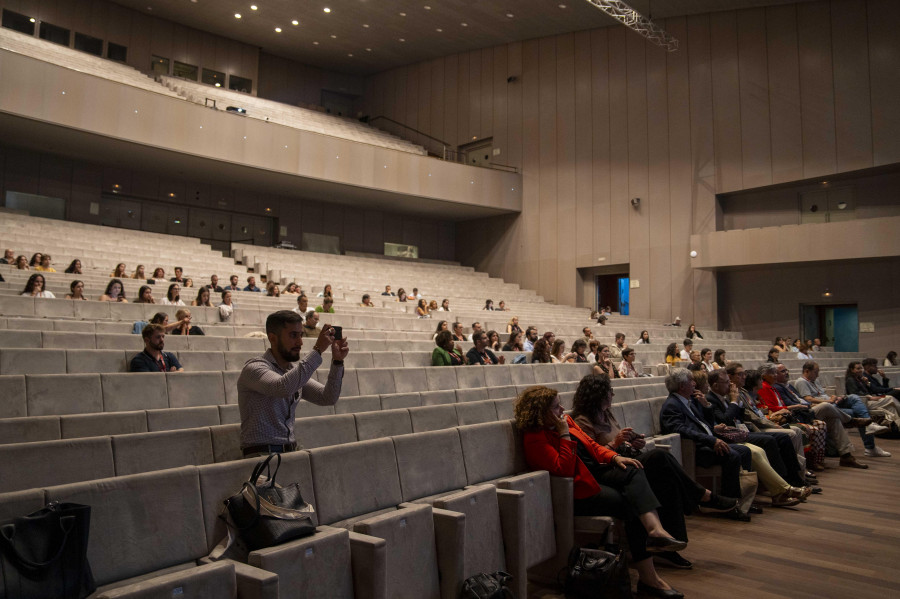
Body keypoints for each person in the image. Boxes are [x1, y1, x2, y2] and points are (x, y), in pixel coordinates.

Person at [516, 385, 686, 598]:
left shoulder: (566, 421)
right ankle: (650, 576)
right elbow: (564, 470)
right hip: (575, 493)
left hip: (593, 478)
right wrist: (563, 435)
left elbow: (593, 446)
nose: (562, 409)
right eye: (556, 406)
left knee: (633, 471)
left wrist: (615, 457)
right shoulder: (535, 437)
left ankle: (654, 545)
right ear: (541, 412)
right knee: (632, 502)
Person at [571, 373, 737, 569]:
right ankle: (702, 496)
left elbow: (616, 442)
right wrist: (615, 444)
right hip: (610, 470)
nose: (612, 395)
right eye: (609, 392)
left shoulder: (606, 413)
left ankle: (671, 547)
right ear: (597, 394)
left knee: (667, 480)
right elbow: (594, 456)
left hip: (625, 460)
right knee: (659, 457)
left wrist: (632, 442)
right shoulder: (582, 421)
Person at [238, 310, 348, 456]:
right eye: (293, 335)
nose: (300, 342)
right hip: (261, 458)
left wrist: (337, 362)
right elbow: (282, 387)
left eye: (301, 335)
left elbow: (327, 397)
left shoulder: (292, 373)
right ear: (273, 338)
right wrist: (318, 349)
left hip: (290, 454)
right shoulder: (254, 368)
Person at [699, 370, 811, 506]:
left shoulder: (725, 396)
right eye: (727, 382)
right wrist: (734, 401)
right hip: (727, 436)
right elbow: (726, 420)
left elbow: (738, 417)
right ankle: (784, 486)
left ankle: (784, 486)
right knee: (764, 444)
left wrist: (736, 401)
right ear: (716, 386)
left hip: (737, 432)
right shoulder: (711, 399)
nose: (730, 385)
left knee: (766, 446)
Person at [659, 369, 752, 512]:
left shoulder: (688, 401)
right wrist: (710, 440)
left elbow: (705, 425)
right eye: (691, 380)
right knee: (732, 455)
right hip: (697, 449)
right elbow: (680, 429)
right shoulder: (672, 405)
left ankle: (744, 500)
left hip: (708, 441)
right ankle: (731, 504)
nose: (694, 383)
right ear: (682, 386)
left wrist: (706, 406)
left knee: (745, 451)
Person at [773, 364, 869, 469]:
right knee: (826, 405)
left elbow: (801, 400)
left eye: (786, 370)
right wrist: (811, 405)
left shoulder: (789, 386)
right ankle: (850, 420)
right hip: (800, 414)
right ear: (774, 375)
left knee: (835, 419)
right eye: (782, 371)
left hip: (807, 409)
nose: (786, 373)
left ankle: (846, 456)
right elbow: (792, 403)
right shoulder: (778, 387)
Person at [794, 361, 887, 459]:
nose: (818, 375)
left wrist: (835, 397)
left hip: (833, 403)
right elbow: (808, 399)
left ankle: (868, 428)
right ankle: (870, 447)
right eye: (816, 372)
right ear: (807, 371)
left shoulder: (815, 381)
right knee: (859, 414)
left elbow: (822, 394)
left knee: (853, 397)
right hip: (826, 407)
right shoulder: (801, 382)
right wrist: (830, 400)